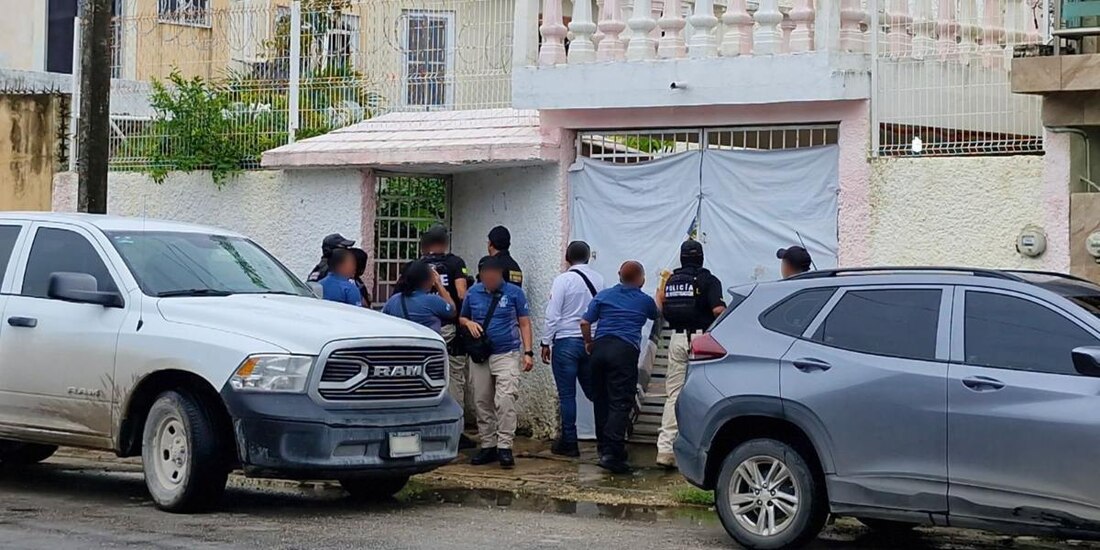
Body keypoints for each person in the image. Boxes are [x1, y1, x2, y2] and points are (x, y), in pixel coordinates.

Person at [581, 261, 659, 474]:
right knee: (620, 402)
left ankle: (602, 447)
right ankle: (612, 453)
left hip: (600, 349)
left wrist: (588, 342)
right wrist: (659, 298)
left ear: (619, 275)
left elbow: (584, 322)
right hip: (623, 352)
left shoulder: (604, 296)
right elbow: (657, 315)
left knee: (601, 399)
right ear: (640, 279)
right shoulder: (644, 300)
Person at [654, 240, 726, 469]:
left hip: (676, 339)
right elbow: (717, 310)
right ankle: (702, 449)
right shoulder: (709, 280)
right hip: (701, 341)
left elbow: (660, 305)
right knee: (705, 393)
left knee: (674, 394)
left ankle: (665, 449)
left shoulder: (672, 281)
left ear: (682, 258)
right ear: (701, 258)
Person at [460, 256, 535, 470]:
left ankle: (505, 446)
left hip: (507, 353)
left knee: (505, 400)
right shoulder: (473, 292)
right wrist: (469, 323)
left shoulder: (514, 293)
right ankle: (488, 444)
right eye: (486, 275)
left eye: (494, 275)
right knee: (482, 401)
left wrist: (527, 352)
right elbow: (462, 317)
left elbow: (524, 322)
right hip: (480, 355)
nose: (490, 279)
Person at [541, 241, 605, 457]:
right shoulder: (599, 279)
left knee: (567, 395)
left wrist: (545, 342)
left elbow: (553, 314)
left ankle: (570, 442)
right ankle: (606, 439)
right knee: (596, 392)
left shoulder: (563, 280)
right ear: (589, 257)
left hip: (566, 342)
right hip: (590, 342)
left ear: (567, 258)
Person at [416, 225, 473, 448]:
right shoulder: (455, 263)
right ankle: (456, 432)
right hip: (449, 327)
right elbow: (462, 294)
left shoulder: (418, 266)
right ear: (445, 242)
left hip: (422, 329)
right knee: (455, 378)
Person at [382, 260, 455, 333]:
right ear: (425, 281)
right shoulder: (432, 300)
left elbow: (382, 318)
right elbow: (453, 312)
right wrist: (439, 284)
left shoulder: (394, 300)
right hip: (426, 343)